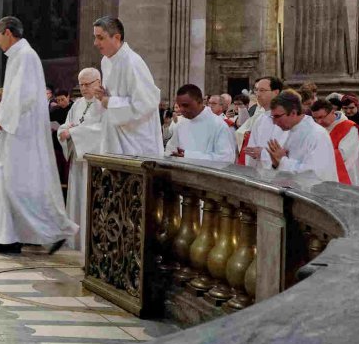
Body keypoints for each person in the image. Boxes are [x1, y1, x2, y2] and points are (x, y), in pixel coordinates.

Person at [0, 16, 77, 254]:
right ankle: (7, 237)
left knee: (18, 183)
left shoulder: (24, 56)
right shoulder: (20, 56)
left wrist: (1, 120)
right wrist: (2, 120)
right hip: (16, 129)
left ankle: (53, 230)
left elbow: (21, 96)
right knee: (10, 182)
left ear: (7, 33)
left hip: (21, 133)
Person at [85, 15, 162, 157]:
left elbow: (147, 103)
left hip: (136, 142)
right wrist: (102, 95)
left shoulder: (133, 63)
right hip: (115, 135)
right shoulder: (106, 61)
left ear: (117, 38)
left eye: (100, 37)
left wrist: (109, 101)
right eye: (95, 37)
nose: (95, 43)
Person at [58, 68, 106, 252]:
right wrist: (65, 131)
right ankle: (75, 240)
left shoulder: (104, 103)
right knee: (76, 198)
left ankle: (89, 242)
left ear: (98, 82)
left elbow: (101, 130)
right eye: (81, 85)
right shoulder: (77, 104)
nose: (84, 88)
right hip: (77, 161)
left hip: (91, 163)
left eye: (88, 84)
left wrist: (73, 132)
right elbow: (67, 124)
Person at [265, 91, 339, 181]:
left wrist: (283, 161)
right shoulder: (286, 132)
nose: (274, 122)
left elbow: (316, 174)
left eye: (277, 116)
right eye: (272, 117)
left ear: (293, 113)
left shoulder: (317, 134)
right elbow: (280, 164)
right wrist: (275, 164)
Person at [164, 84, 235, 163]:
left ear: (199, 101)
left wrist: (189, 156)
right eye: (179, 106)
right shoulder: (181, 123)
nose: (181, 109)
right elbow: (171, 149)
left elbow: (226, 159)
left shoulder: (218, 124)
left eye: (185, 105)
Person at [310, 99, 359, 185]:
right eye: (315, 118)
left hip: (345, 178)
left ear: (332, 112)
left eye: (321, 117)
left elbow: (344, 155)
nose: (318, 122)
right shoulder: (317, 128)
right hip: (322, 177)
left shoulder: (349, 128)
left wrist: (316, 154)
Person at [238, 76, 287, 169]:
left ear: (276, 92)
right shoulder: (260, 119)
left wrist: (262, 154)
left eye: (262, 90)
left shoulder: (285, 118)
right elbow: (252, 150)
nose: (258, 94)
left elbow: (286, 152)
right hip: (260, 176)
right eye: (257, 90)